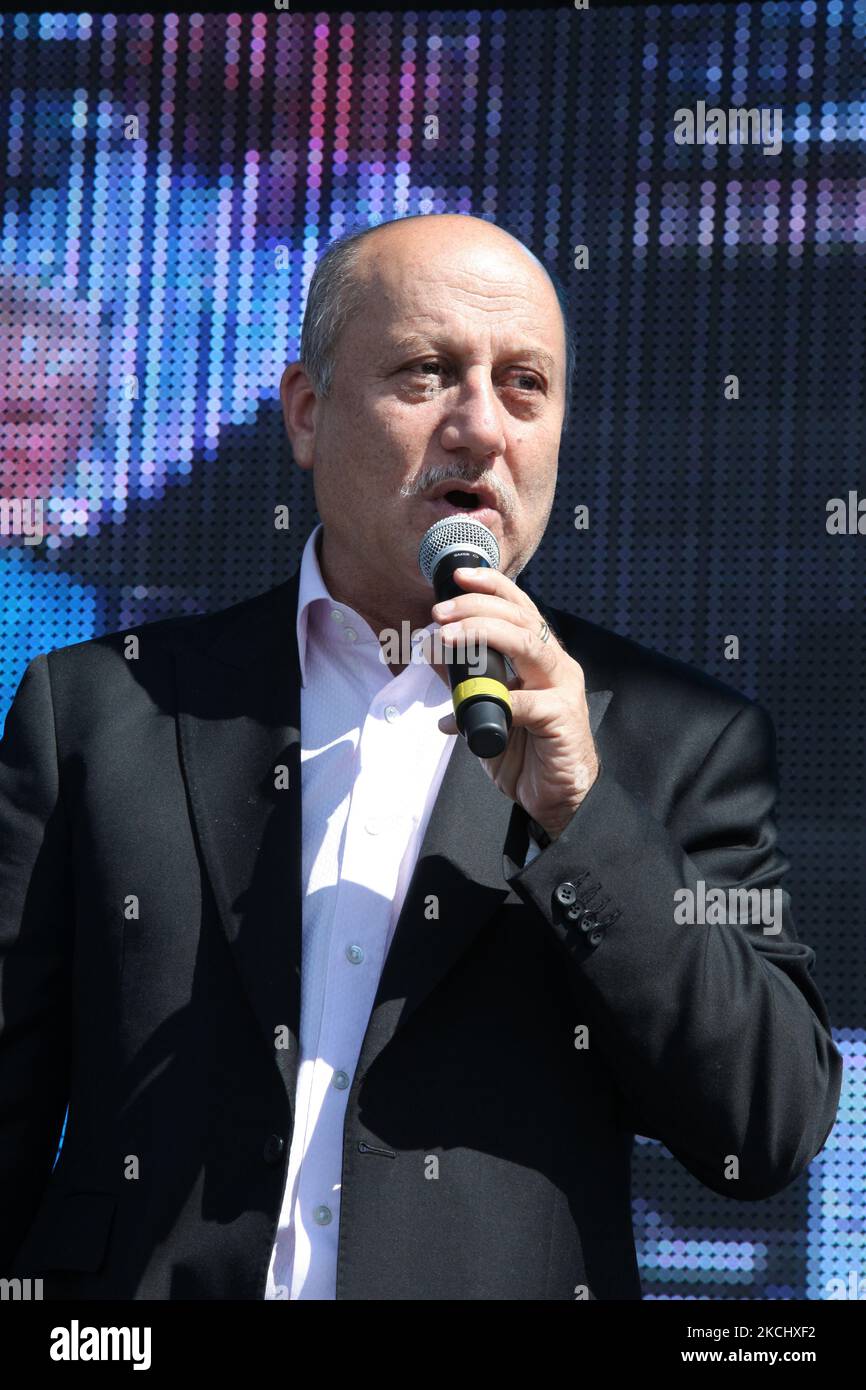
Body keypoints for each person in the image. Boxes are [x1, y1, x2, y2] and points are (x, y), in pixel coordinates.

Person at [0, 214, 842, 1300]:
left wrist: (581, 817)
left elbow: (768, 1121)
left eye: (524, 385)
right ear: (306, 412)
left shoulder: (676, 740)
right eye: (426, 373)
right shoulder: (99, 707)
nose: (481, 427)